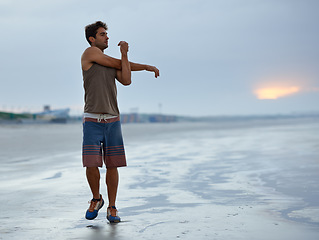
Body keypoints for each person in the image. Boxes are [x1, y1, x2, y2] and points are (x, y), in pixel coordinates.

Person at [81, 21, 159, 223]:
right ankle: (96, 198)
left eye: (107, 34)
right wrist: (143, 65)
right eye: (102, 34)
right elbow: (119, 65)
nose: (107, 37)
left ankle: (112, 207)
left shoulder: (110, 61)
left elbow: (126, 79)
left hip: (112, 119)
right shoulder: (89, 54)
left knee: (112, 165)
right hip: (92, 119)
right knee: (91, 164)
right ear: (92, 39)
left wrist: (126, 57)